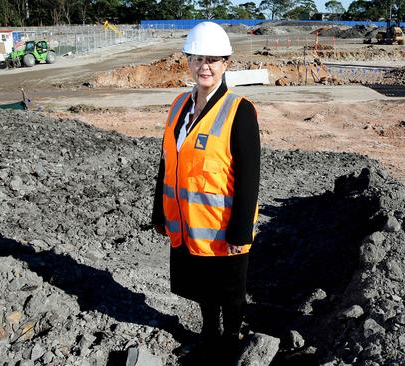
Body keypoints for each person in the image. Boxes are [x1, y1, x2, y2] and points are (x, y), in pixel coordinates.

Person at [151, 21, 261, 362]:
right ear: (188, 62)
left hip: (222, 225)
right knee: (202, 287)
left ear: (226, 63)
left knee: (229, 291)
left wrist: (241, 228)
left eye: (213, 60)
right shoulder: (178, 105)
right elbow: (168, 162)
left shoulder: (239, 110)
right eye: (198, 59)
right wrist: (159, 212)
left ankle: (229, 341)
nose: (205, 67)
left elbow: (249, 175)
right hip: (186, 222)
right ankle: (208, 334)